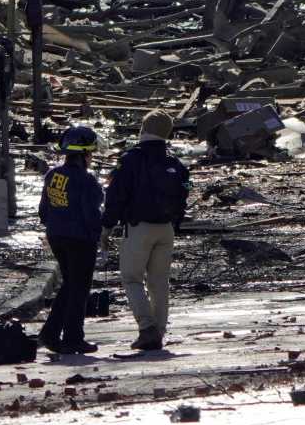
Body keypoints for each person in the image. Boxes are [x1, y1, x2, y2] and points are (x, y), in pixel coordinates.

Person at [103, 110, 191, 351]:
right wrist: (177, 219)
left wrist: (106, 226)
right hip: (166, 229)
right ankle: (159, 331)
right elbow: (186, 188)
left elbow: (116, 194)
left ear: (143, 129)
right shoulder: (175, 163)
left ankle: (147, 328)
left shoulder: (131, 159)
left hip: (138, 227)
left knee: (132, 278)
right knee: (159, 283)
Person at [39, 124, 104, 356]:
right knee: (79, 289)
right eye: (91, 153)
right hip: (80, 240)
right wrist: (100, 235)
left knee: (69, 285)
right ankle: (73, 339)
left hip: (56, 236)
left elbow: (43, 212)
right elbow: (92, 215)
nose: (92, 157)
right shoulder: (87, 181)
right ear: (85, 154)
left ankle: (50, 333)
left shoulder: (52, 175)